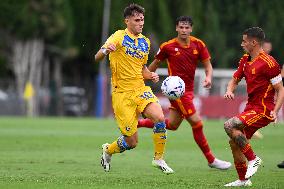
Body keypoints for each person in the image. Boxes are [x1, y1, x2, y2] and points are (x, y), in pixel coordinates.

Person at [138, 16, 231, 170]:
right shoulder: (167, 46)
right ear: (176, 28)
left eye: (187, 28)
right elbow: (153, 65)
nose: (184, 30)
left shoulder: (198, 44)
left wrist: (208, 77)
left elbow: (208, 65)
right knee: (197, 123)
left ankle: (138, 124)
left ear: (191, 29)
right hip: (176, 92)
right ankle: (211, 159)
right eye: (181, 27)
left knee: (173, 124)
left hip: (188, 91)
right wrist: (142, 79)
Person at [95, 3, 173, 174]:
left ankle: (158, 159)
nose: (141, 23)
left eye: (142, 20)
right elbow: (97, 56)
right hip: (121, 95)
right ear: (127, 21)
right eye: (137, 20)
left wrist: (150, 75)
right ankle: (108, 150)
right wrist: (107, 50)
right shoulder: (118, 37)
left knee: (159, 117)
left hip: (140, 89)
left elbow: (142, 69)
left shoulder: (145, 42)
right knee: (131, 142)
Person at [223, 27, 284, 187]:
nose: (242, 44)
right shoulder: (245, 59)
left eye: (244, 41)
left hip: (263, 110)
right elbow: (235, 80)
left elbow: (280, 89)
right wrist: (229, 90)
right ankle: (243, 180)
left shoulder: (270, 63)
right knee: (234, 142)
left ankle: (253, 159)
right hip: (250, 108)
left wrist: (275, 110)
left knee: (229, 125)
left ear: (254, 42)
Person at [251, 39, 273, 139]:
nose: (267, 49)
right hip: (256, 89)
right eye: (266, 47)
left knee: (259, 110)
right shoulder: (256, 58)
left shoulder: (270, 60)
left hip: (265, 90)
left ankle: (251, 129)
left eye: (269, 47)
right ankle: (251, 130)